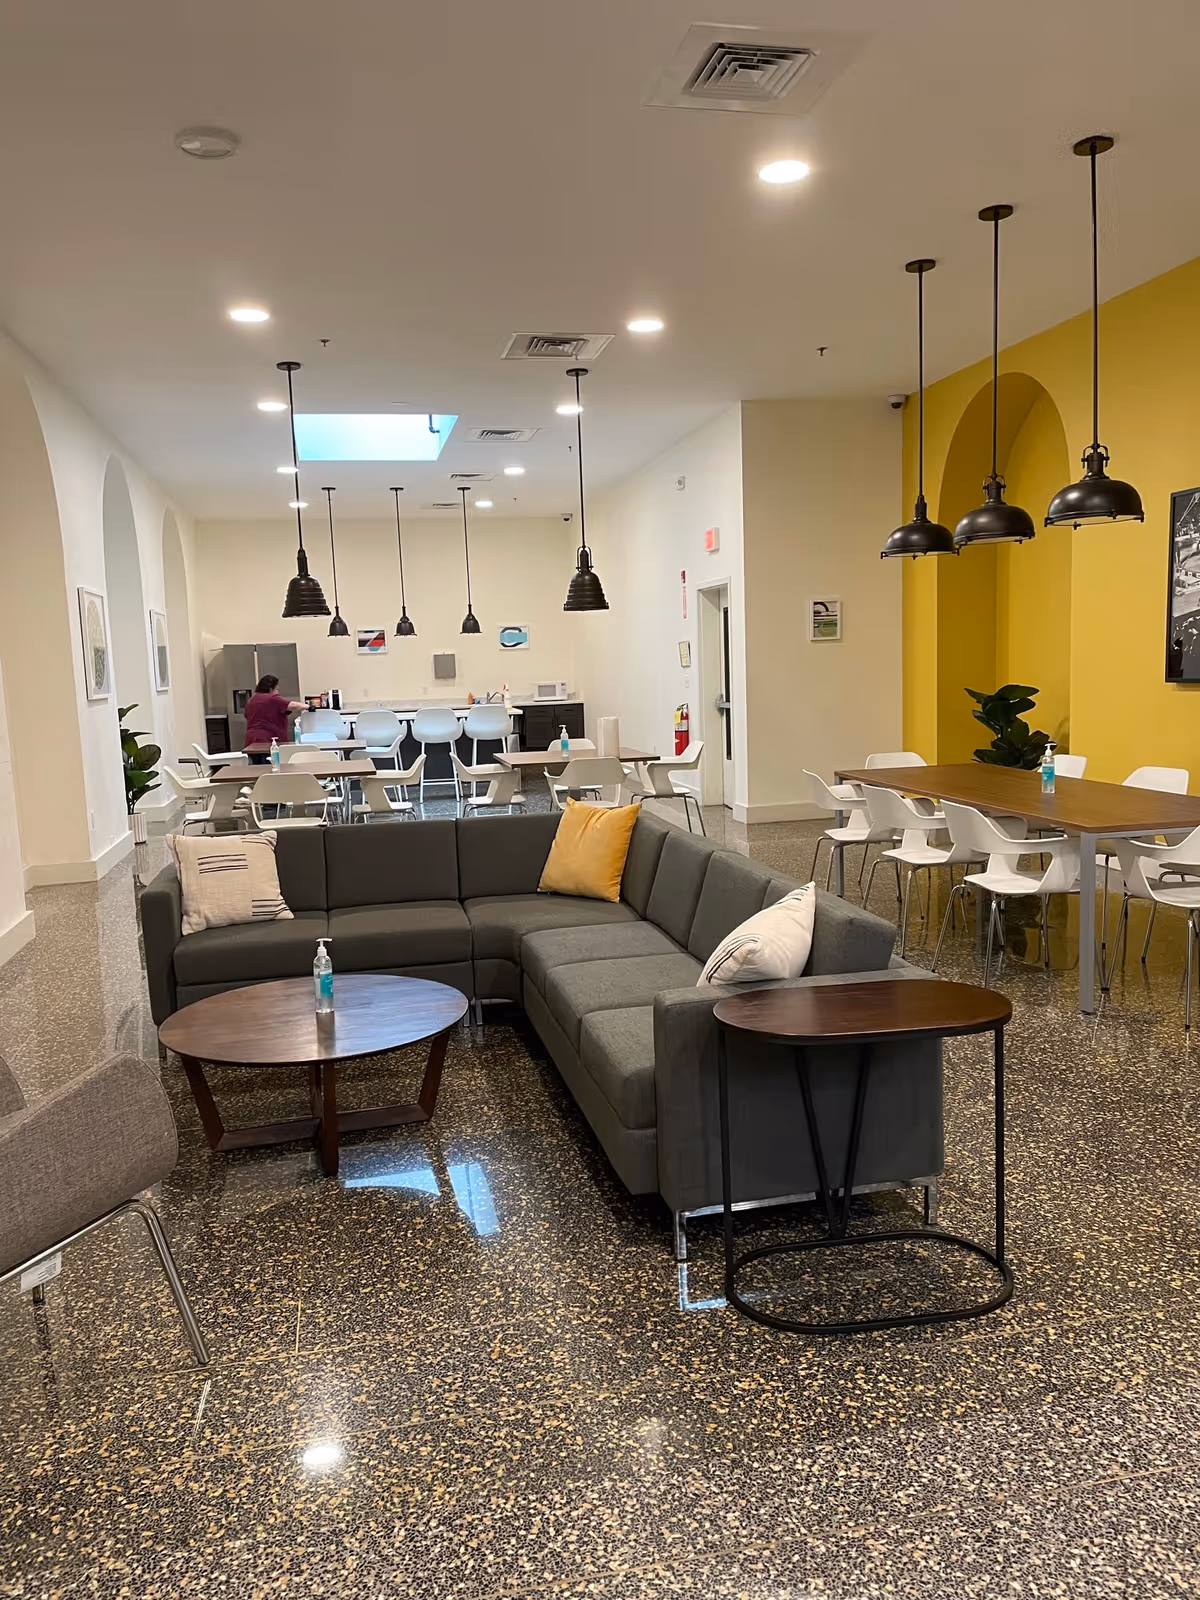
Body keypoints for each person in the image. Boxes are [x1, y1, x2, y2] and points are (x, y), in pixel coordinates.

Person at [243, 675, 304, 762]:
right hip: (267, 742)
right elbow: (294, 706)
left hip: (251, 742)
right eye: (277, 689)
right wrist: (309, 706)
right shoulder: (272, 698)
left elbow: (248, 715)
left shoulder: (251, 700)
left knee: (257, 768)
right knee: (270, 767)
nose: (278, 692)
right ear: (271, 688)